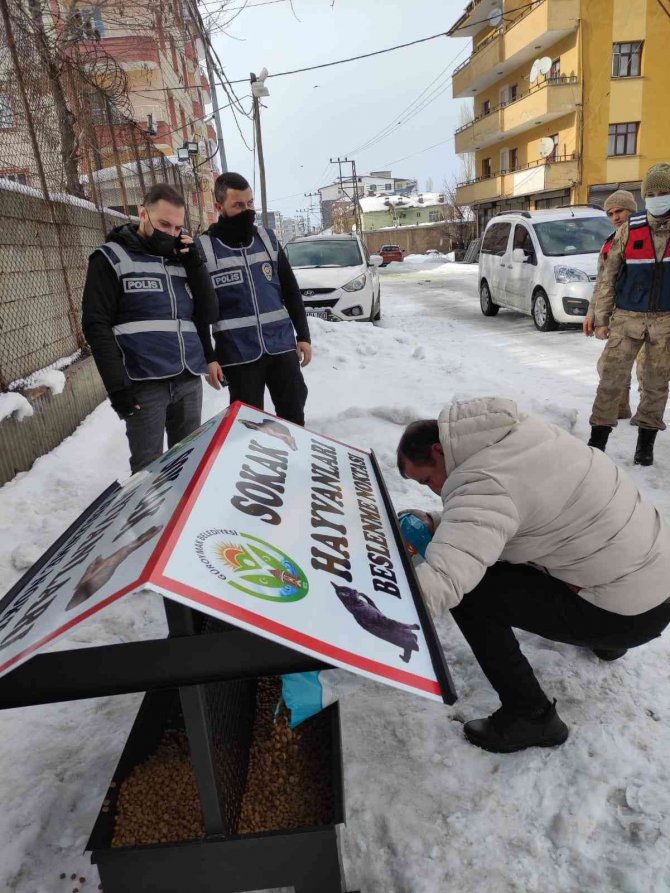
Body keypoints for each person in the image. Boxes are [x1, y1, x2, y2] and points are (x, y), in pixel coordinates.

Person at [397, 397, 670, 753]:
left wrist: (376, 614)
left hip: (629, 613)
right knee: (524, 550)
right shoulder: (518, 433)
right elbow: (495, 514)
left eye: (428, 479)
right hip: (655, 581)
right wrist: (437, 521)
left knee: (472, 593)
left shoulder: (483, 483)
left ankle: (531, 715)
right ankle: (607, 643)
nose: (434, 489)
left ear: (438, 450)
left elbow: (447, 578)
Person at [82, 183, 219, 474]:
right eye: (163, 224)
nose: (170, 233)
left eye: (177, 227)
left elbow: (208, 313)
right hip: (144, 384)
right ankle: (150, 520)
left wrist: (195, 265)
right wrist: (117, 387)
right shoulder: (110, 259)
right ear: (143, 213)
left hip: (187, 378)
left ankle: (179, 518)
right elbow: (96, 325)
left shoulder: (182, 258)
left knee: (187, 462)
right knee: (147, 471)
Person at [198, 172, 311, 425]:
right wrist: (209, 356)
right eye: (238, 205)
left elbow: (291, 291)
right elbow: (198, 311)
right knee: (247, 425)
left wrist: (303, 336)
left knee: (294, 414)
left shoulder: (267, 240)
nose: (247, 210)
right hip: (238, 355)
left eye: (250, 204)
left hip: (281, 346)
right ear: (219, 207)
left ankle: (293, 461)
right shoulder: (204, 250)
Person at [588, 163, 670, 465]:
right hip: (627, 318)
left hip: (666, 321)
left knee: (656, 383)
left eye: (664, 192)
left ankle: (645, 445)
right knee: (610, 379)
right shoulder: (629, 231)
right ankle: (597, 441)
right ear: (645, 196)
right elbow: (608, 277)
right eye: (653, 193)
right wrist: (602, 318)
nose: (658, 198)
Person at [583, 189, 639, 419]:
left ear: (632, 211)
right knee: (609, 366)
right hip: (620, 316)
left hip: (651, 314)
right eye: (610, 213)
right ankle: (621, 407)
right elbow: (602, 283)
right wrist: (592, 315)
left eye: (620, 211)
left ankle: (647, 420)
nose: (615, 217)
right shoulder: (609, 244)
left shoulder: (648, 237)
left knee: (649, 372)